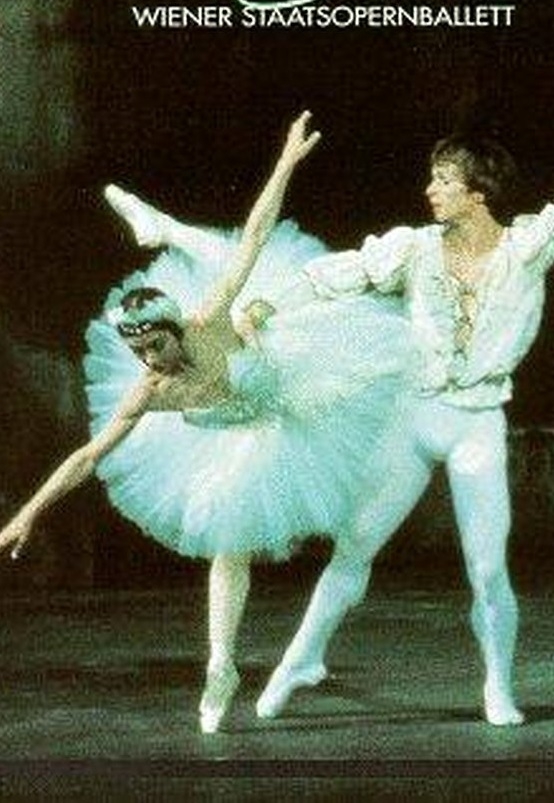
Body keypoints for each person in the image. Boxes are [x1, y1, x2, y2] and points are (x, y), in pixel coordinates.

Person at [0, 111, 409, 733]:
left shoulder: (208, 321)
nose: (150, 359)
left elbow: (255, 234)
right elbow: (88, 457)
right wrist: (28, 513)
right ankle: (222, 665)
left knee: (287, 302)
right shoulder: (149, 390)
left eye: (155, 345)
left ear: (177, 327)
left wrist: (285, 163)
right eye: (139, 352)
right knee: (228, 540)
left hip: (286, 377)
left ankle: (162, 227)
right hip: (241, 434)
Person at [254, 133, 554, 728]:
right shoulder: (414, 248)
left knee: (487, 569)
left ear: (477, 193)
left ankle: (498, 685)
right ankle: (300, 659)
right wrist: (270, 303)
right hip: (413, 416)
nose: (430, 190)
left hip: (476, 423)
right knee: (355, 544)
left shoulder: (525, 247)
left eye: (444, 180)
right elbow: (343, 273)